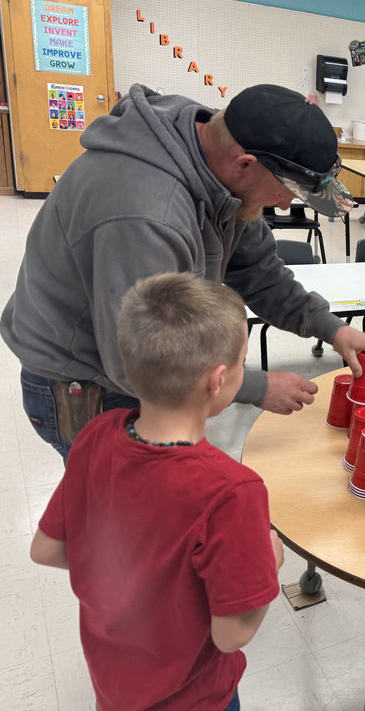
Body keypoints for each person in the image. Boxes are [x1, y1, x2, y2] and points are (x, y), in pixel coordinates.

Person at [2, 83, 365, 463]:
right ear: (245, 165)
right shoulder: (146, 215)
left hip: (133, 362)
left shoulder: (219, 163)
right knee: (120, 498)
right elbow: (141, 358)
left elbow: (259, 272)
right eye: (289, 190)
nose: (288, 205)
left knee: (153, 493)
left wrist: (333, 329)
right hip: (87, 382)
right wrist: (253, 387)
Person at [30, 273, 285, 710]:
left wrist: (136, 576)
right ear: (217, 380)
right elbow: (231, 634)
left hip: (113, 689)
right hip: (197, 699)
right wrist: (270, 564)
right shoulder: (231, 491)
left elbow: (47, 549)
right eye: (243, 361)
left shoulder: (95, 435)